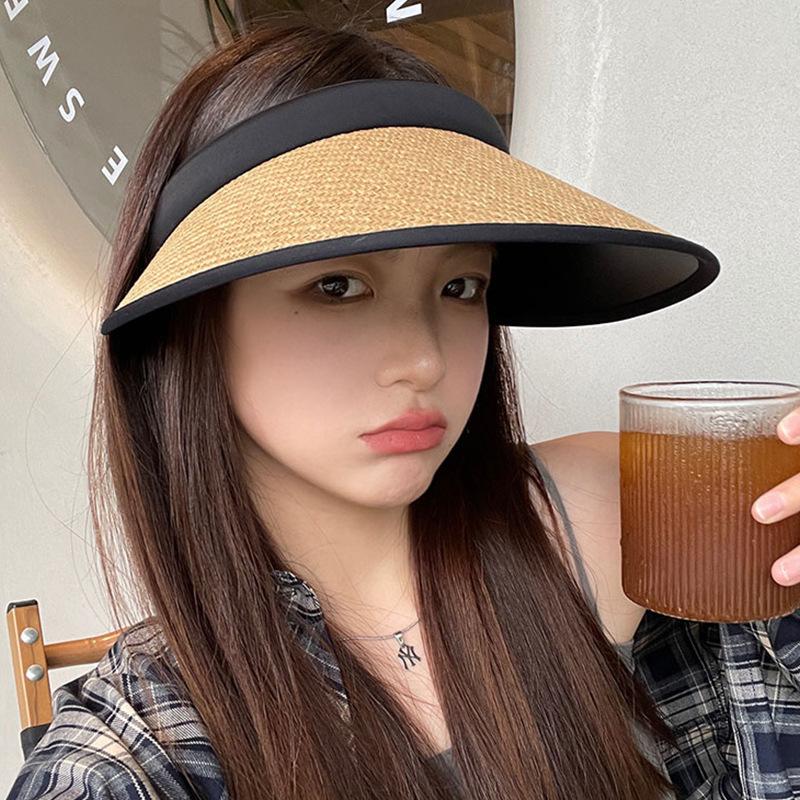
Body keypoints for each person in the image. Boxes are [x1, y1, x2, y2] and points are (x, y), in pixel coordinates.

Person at [6, 13, 800, 800]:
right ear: (197, 325)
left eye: (461, 286)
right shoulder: (139, 746)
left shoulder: (608, 511)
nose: (425, 359)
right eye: (337, 285)